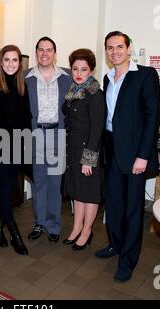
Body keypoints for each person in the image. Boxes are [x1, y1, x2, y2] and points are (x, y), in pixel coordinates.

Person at [95, 31, 160, 282]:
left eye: (119, 46)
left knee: (133, 210)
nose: (115, 52)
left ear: (129, 48)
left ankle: (128, 260)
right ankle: (116, 245)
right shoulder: (107, 77)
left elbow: (152, 118)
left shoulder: (145, 75)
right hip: (111, 151)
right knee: (113, 206)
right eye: (110, 48)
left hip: (135, 155)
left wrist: (143, 156)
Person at [0, 45, 32, 255]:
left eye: (15, 60)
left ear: (19, 63)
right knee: (3, 190)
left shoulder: (22, 87)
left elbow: (26, 120)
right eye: (7, 60)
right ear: (0, 63)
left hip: (17, 148)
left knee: (7, 191)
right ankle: (14, 232)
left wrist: (25, 152)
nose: (11, 64)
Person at [25, 36, 71, 243]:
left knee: (54, 182)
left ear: (54, 53)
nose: (44, 53)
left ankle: (53, 225)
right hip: (35, 133)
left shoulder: (67, 77)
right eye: (41, 50)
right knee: (39, 181)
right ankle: (39, 222)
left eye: (49, 50)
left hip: (57, 133)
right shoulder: (25, 77)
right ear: (36, 52)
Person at [62, 49, 105, 250]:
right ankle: (76, 226)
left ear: (91, 71)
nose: (79, 73)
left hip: (89, 152)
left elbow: (97, 129)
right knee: (77, 192)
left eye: (84, 69)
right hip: (73, 150)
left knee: (89, 194)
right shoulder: (73, 92)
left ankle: (87, 230)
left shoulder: (95, 94)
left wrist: (89, 159)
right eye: (75, 69)